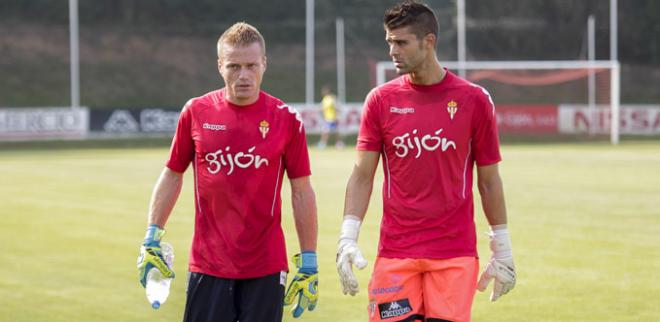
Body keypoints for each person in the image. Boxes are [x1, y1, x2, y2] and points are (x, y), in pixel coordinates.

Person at [335, 2, 516, 322]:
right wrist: (347, 237)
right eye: (389, 41)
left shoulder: (474, 100)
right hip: (396, 254)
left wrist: (503, 248)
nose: (393, 50)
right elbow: (362, 175)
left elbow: (489, 180)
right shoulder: (380, 100)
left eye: (401, 42)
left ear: (428, 41)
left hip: (453, 255)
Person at [136, 22, 319, 322]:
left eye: (251, 65)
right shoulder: (196, 112)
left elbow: (302, 190)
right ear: (220, 65)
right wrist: (151, 237)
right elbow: (172, 174)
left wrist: (309, 260)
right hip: (209, 264)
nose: (243, 75)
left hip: (267, 265)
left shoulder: (286, 119)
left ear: (264, 64)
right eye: (234, 66)